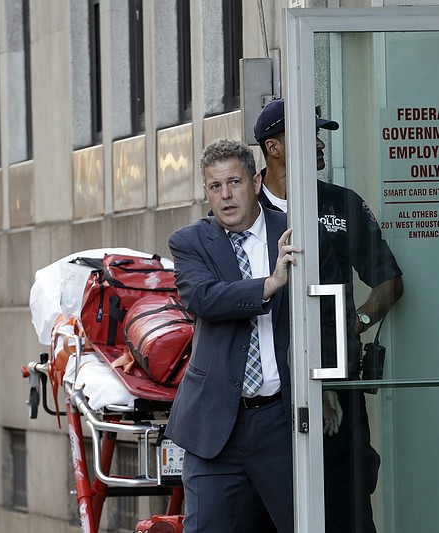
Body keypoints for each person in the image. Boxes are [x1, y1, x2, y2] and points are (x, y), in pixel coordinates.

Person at [253, 98, 404, 533]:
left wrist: (351, 325)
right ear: (274, 147)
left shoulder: (341, 204)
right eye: (308, 134)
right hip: (270, 396)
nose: (320, 143)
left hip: (338, 381)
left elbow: (389, 283)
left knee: (348, 505)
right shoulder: (243, 208)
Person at [164, 139, 301, 533]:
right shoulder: (190, 242)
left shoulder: (292, 233)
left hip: (281, 420)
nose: (225, 196)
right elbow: (203, 298)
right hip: (213, 426)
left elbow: (324, 312)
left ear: (256, 182)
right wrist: (270, 283)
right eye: (214, 187)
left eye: (234, 183)